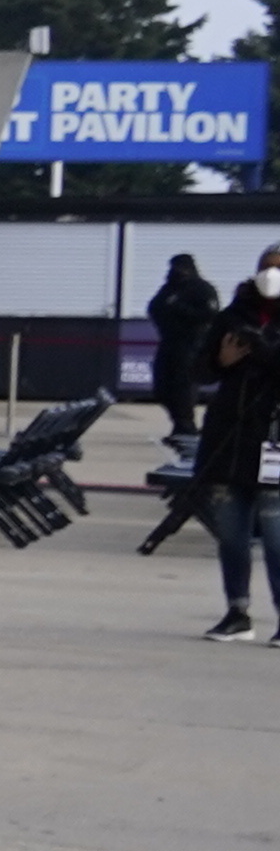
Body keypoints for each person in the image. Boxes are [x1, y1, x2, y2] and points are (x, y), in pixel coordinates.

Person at [183, 313, 276, 638]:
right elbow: (198, 370)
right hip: (228, 443)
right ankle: (237, 610)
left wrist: (264, 350)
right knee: (232, 537)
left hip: (273, 444)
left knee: (276, 540)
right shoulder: (235, 317)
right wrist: (221, 361)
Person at [150, 253, 225, 446]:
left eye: (180, 267)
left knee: (183, 386)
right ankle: (178, 422)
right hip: (169, 342)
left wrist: (179, 309)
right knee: (163, 386)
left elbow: (209, 314)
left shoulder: (202, 289)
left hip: (191, 345)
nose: (176, 271)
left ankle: (186, 426)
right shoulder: (169, 288)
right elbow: (155, 307)